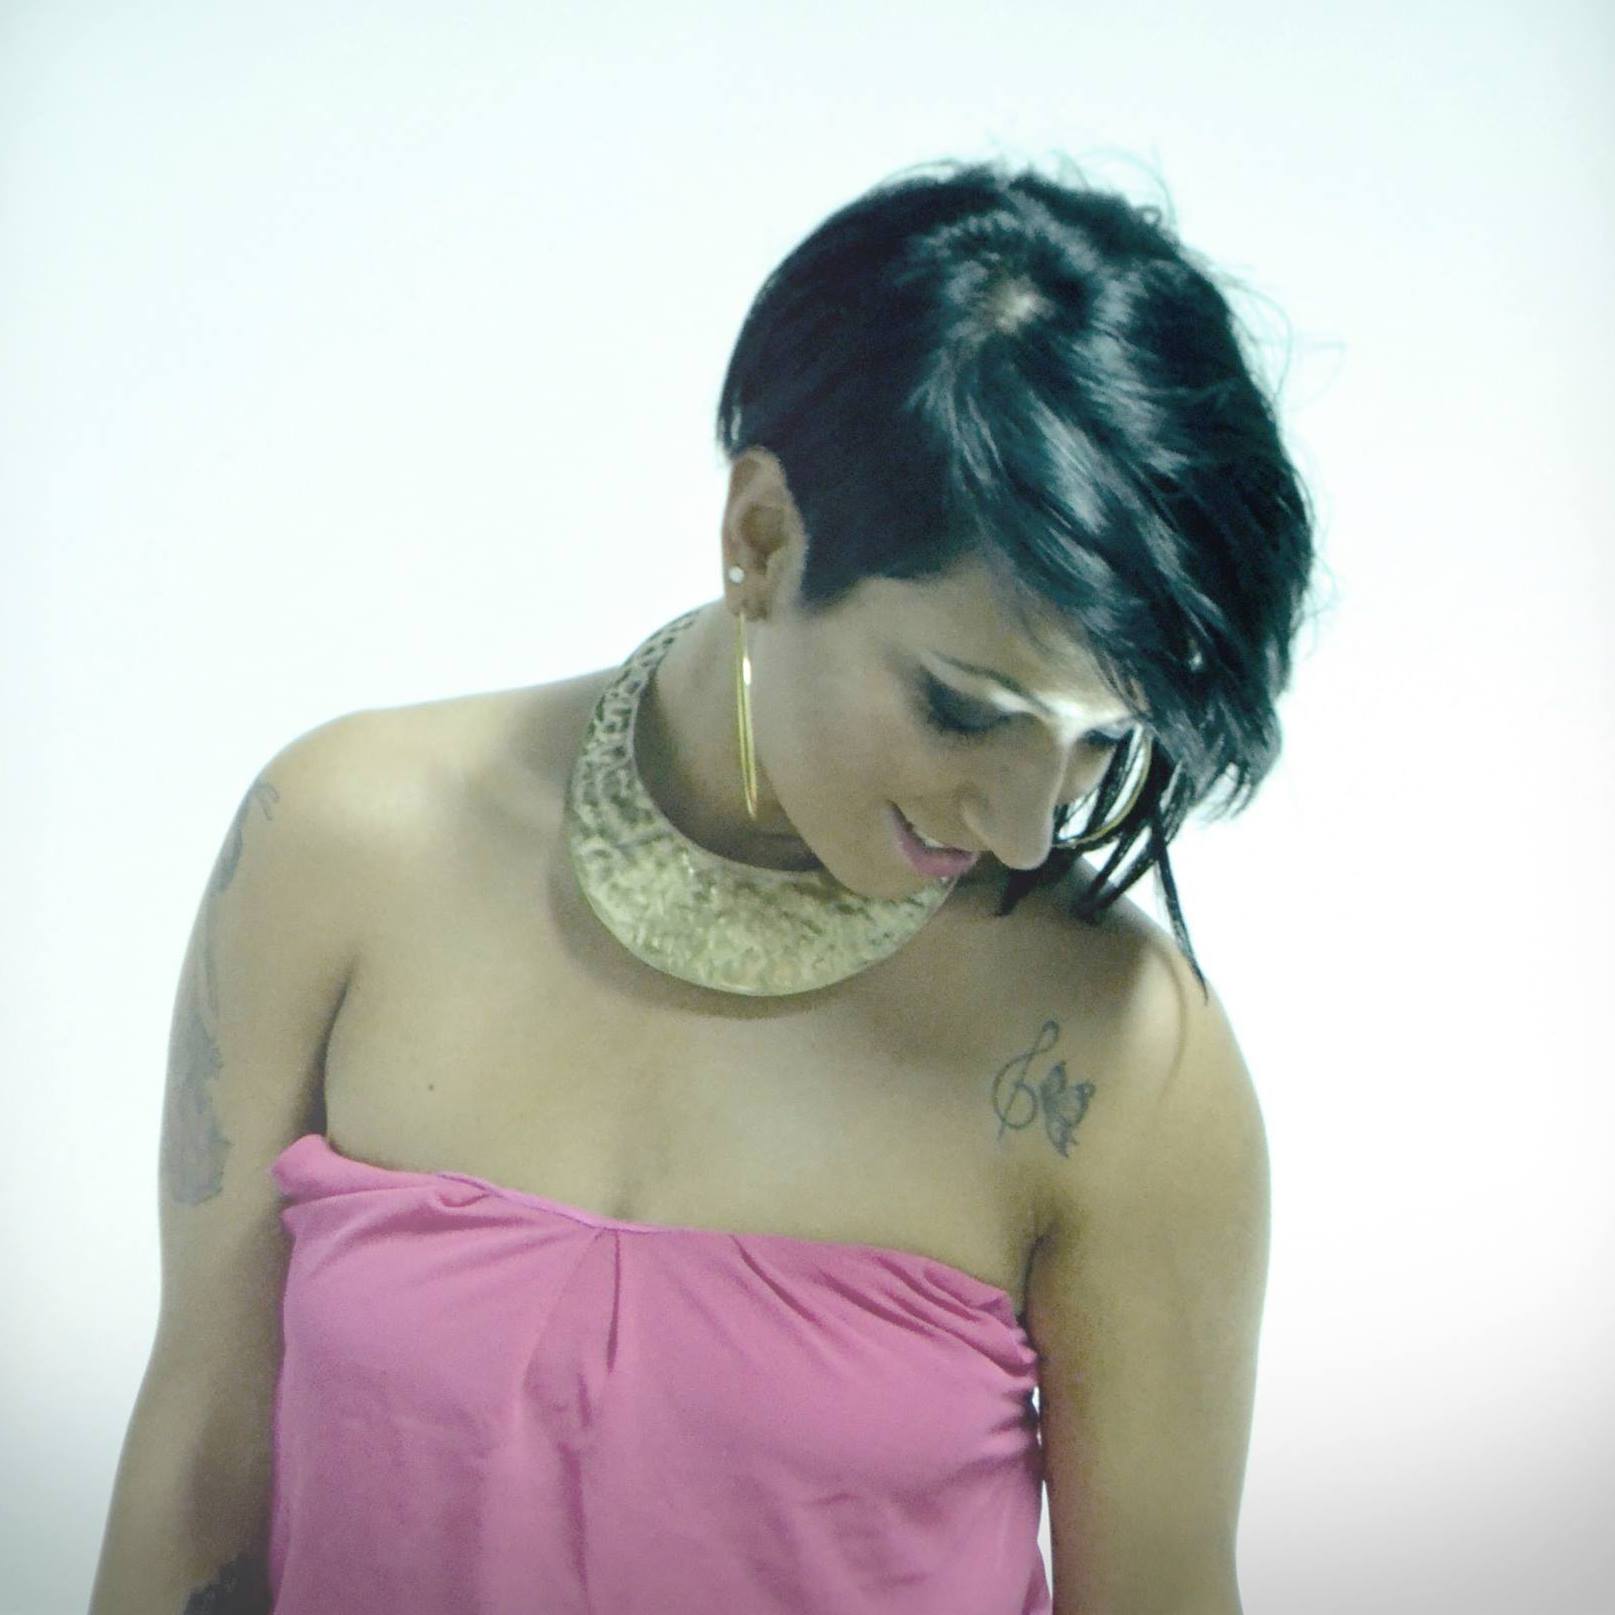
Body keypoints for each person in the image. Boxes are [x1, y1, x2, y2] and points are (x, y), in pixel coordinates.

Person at [90, 157, 1316, 1615]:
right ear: (763, 538)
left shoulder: (1122, 1059)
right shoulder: (340, 848)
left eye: (1097, 739)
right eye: (961, 709)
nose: (1023, 829)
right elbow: (198, 1475)